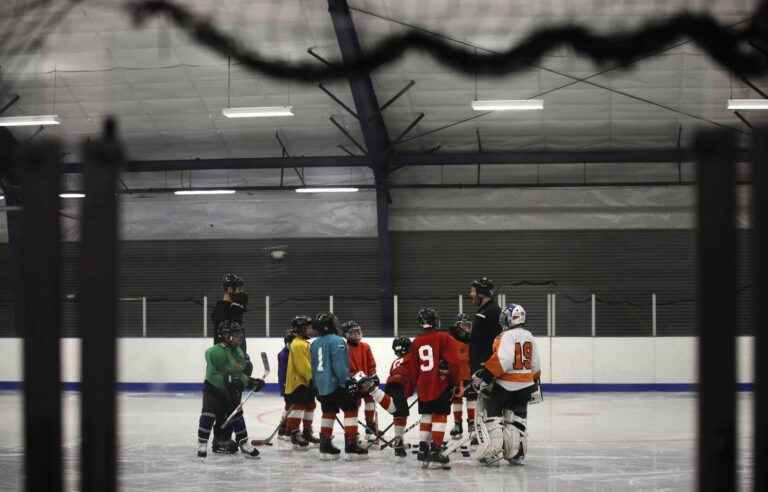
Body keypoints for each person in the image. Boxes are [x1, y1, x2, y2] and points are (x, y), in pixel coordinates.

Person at [472, 303, 541, 466]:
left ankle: (492, 451)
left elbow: (503, 360)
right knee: (517, 420)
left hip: (504, 386)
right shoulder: (529, 336)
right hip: (525, 386)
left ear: (511, 318)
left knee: (493, 417)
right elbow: (536, 364)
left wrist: (486, 377)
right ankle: (516, 453)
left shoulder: (505, 336)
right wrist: (535, 383)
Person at [196, 320, 265, 459]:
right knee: (208, 414)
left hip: (229, 390)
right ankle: (202, 443)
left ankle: (244, 443)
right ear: (225, 335)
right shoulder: (215, 352)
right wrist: (232, 380)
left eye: (239, 333)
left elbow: (238, 374)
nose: (239, 337)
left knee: (236, 415)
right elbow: (218, 372)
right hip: (213, 389)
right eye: (235, 334)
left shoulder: (238, 351)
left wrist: (251, 382)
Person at [310, 313, 368, 460]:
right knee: (351, 409)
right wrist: (347, 382)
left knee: (328, 412)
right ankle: (351, 446)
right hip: (337, 385)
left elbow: (314, 367)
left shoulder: (315, 343)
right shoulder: (338, 341)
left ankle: (325, 445)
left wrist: (316, 386)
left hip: (322, 386)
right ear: (328, 325)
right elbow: (340, 365)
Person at [409, 307, 460, 467]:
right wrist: (457, 382)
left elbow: (413, 368)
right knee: (440, 415)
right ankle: (436, 449)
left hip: (423, 384)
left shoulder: (416, 341)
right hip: (440, 382)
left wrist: (412, 387)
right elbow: (454, 362)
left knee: (426, 415)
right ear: (435, 321)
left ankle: (423, 449)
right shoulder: (444, 338)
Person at [358, 336, 415, 457]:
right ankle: (374, 390)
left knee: (400, 413)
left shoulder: (396, 361)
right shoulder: (412, 358)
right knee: (398, 411)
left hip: (391, 385)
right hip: (400, 385)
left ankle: (399, 441)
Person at [468, 277, 501, 444]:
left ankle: (492, 441)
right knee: (482, 403)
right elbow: (478, 341)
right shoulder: (486, 311)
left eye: (473, 291)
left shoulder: (492, 312)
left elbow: (495, 343)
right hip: (482, 369)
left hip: (487, 370)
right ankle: (481, 436)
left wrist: (484, 369)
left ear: (482, 294)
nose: (470, 294)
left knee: (489, 405)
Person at [284, 315, 320, 449]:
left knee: (310, 405)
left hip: (306, 381)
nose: (309, 330)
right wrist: (311, 379)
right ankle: (294, 433)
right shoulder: (298, 344)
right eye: (306, 327)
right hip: (299, 382)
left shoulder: (304, 343)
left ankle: (307, 432)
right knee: (299, 407)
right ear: (300, 329)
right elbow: (302, 366)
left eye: (309, 327)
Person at [341, 320, 378, 446]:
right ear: (346, 335)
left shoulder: (366, 347)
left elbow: (371, 364)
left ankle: (370, 428)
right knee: (353, 406)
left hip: (365, 380)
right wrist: (351, 378)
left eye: (358, 332)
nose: (356, 335)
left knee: (370, 400)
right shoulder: (344, 348)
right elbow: (345, 368)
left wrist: (373, 375)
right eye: (353, 333)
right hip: (353, 382)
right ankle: (353, 432)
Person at [211, 273, 251, 371]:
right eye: (239, 289)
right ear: (229, 289)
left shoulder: (232, 308)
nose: (241, 292)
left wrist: (243, 355)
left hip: (234, 366)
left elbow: (238, 338)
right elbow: (228, 341)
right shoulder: (222, 311)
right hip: (227, 369)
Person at [448, 313, 472, 440]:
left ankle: (472, 424)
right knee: (456, 399)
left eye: (469, 326)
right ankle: (457, 424)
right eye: (464, 326)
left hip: (469, 373)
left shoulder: (472, 339)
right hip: (456, 375)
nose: (467, 329)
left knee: (472, 398)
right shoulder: (451, 340)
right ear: (458, 326)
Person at [277, 327, 296, 441]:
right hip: (287, 385)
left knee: (290, 407)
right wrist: (285, 385)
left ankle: (284, 429)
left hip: (291, 384)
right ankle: (284, 429)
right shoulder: (284, 354)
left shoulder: (292, 352)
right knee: (290, 407)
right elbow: (283, 372)